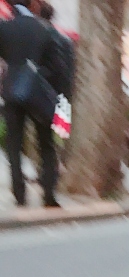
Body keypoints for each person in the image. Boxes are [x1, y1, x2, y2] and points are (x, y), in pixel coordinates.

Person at [0, 0, 61, 207]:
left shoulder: (5, 28)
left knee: (14, 144)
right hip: (39, 93)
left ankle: (20, 194)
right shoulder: (44, 29)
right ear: (32, 6)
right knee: (46, 143)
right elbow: (55, 66)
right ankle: (49, 193)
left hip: (12, 92)